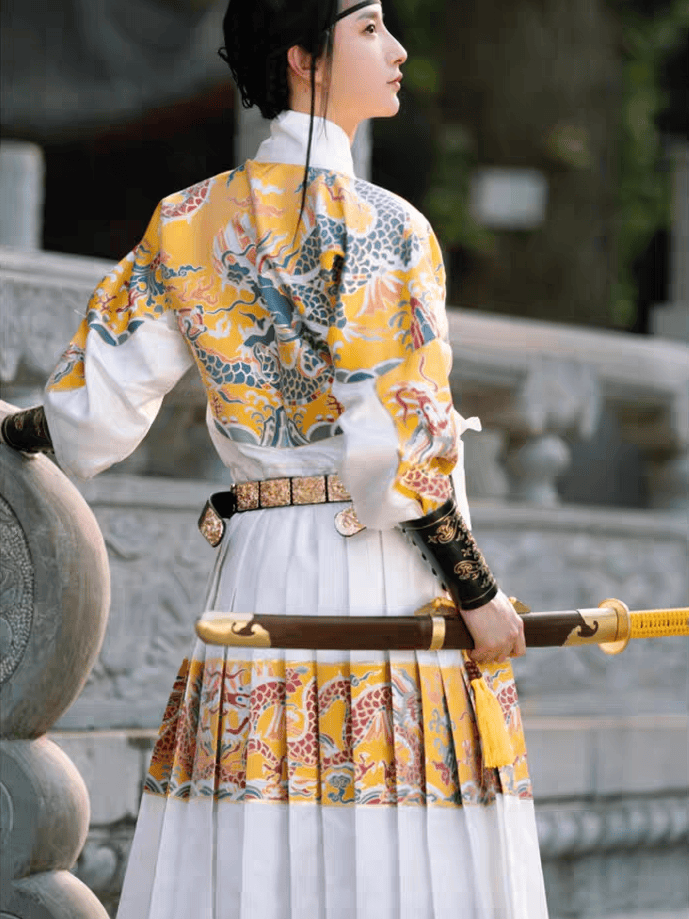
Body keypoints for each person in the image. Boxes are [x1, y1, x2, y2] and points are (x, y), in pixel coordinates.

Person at [0, 0, 549, 915]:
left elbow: (84, 420)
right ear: (305, 57)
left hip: (257, 566)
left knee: (255, 841)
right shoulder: (387, 228)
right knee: (389, 846)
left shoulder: (186, 221)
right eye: (370, 28)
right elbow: (401, 452)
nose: (398, 48)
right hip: (375, 569)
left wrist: (6, 427)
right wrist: (477, 589)